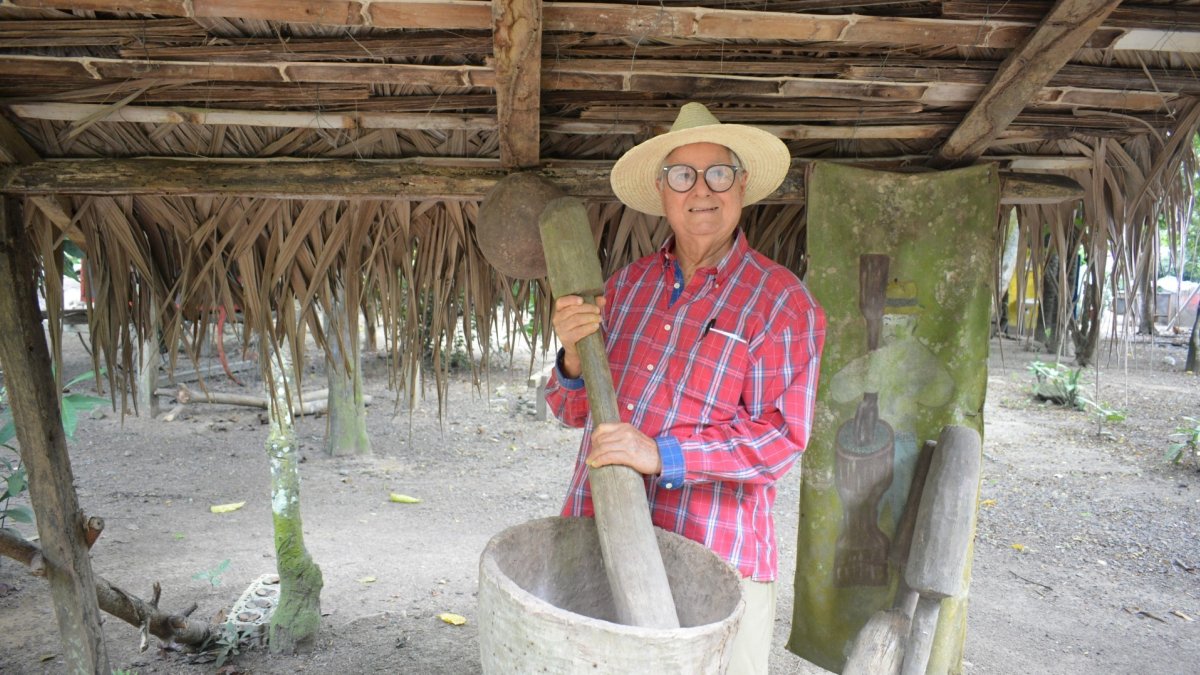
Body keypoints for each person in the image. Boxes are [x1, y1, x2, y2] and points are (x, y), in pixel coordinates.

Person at [545, 102, 826, 673]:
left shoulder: (781, 301)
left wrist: (660, 454)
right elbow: (572, 411)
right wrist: (573, 358)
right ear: (662, 190)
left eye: (718, 173)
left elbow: (779, 439)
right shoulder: (624, 287)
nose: (702, 190)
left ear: (742, 184)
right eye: (683, 175)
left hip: (714, 558)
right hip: (603, 538)